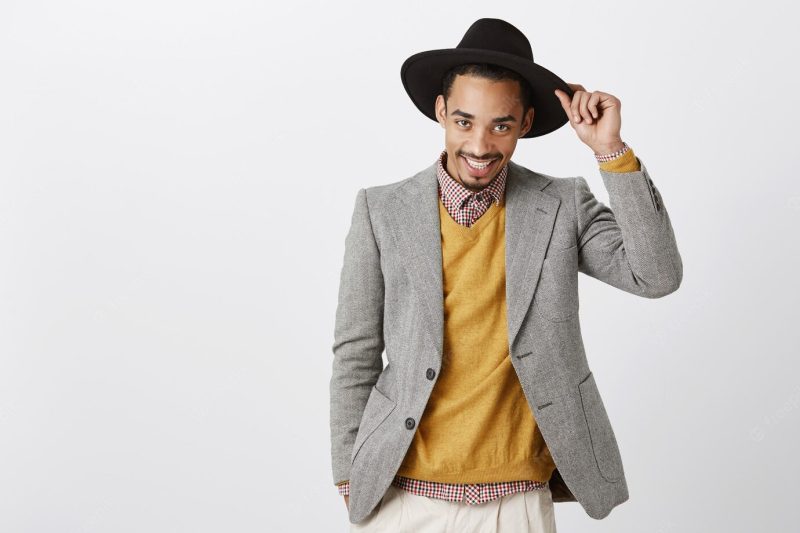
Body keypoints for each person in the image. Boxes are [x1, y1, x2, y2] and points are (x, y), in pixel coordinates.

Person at [330, 17, 682, 532]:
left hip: (517, 501)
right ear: (441, 111)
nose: (480, 144)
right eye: (465, 121)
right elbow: (355, 350)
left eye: (502, 125)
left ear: (525, 123)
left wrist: (610, 150)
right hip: (403, 492)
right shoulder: (381, 210)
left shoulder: (562, 204)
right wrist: (348, 472)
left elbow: (656, 276)